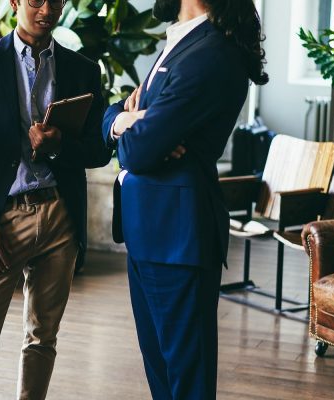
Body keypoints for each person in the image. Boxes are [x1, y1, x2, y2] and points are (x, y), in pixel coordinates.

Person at [102, 0, 269, 398]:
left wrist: (138, 128)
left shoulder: (211, 53)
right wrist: (126, 121)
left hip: (177, 238)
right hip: (150, 230)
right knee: (160, 368)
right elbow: (116, 114)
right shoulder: (183, 43)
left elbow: (137, 152)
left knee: (185, 379)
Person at [0, 0, 112, 398]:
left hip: (59, 217)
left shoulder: (83, 69)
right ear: (16, 2)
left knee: (42, 339)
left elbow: (99, 150)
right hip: (0, 220)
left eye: (56, 1)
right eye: (36, 0)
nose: (47, 10)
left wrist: (59, 145)